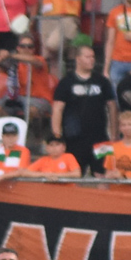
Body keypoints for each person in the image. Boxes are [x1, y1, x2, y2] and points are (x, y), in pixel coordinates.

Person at [52, 45, 117, 176]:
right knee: (75, 173)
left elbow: (112, 107)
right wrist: (57, 135)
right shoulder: (66, 82)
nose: (92, 60)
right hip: (74, 138)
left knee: (103, 173)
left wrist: (114, 134)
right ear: (78, 59)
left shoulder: (102, 81)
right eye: (87, 57)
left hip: (100, 137)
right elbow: (57, 109)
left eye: (93, 57)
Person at [104, 112, 131, 178]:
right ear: (120, 128)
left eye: (130, 125)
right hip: (114, 185)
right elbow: (107, 172)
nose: (127, 128)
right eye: (123, 125)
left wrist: (123, 179)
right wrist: (110, 176)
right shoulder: (112, 148)